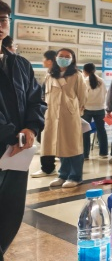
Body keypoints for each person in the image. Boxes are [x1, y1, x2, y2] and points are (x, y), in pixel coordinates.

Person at [0, 0, 45, 259]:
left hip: (17, 154)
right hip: (10, 143)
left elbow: (35, 100)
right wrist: (12, 135)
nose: (0, 25)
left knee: (10, 214)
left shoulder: (20, 64)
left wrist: (31, 128)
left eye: (3, 20)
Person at [43, 48, 87, 188]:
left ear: (72, 59)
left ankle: (75, 177)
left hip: (70, 115)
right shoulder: (50, 74)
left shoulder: (76, 75)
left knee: (73, 146)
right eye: (61, 56)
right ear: (56, 57)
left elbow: (82, 96)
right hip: (52, 115)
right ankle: (63, 175)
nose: (64, 58)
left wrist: (75, 112)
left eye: (67, 57)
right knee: (60, 145)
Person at [30, 50, 58, 178]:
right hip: (46, 112)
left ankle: (48, 168)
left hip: (53, 113)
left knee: (47, 140)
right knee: (45, 140)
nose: (42, 61)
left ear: (50, 61)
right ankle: (48, 166)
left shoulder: (57, 75)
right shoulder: (50, 74)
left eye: (44, 59)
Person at [81, 63, 108, 160]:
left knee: (85, 132)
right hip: (100, 109)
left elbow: (83, 96)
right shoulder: (102, 81)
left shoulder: (84, 81)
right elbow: (105, 93)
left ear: (84, 71)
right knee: (101, 130)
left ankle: (85, 155)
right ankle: (104, 153)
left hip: (87, 109)